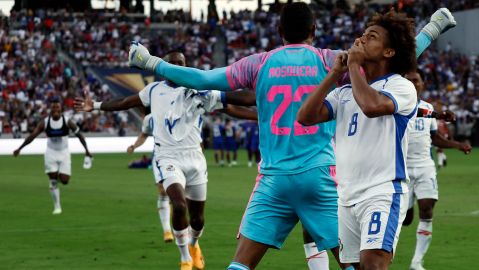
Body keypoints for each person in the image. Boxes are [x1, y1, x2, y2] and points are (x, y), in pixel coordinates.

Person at [127, 4, 456, 270]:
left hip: (273, 179)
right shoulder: (330, 60)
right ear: (314, 31)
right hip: (321, 177)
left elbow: (201, 77)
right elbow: (392, 57)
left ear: (280, 32)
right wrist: (432, 28)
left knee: (241, 264)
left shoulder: (259, 63)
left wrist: (150, 61)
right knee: (355, 263)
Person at [75, 51, 256, 270]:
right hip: (167, 156)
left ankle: (194, 244)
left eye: (181, 64)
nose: (178, 67)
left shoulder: (200, 90)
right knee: (178, 205)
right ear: (165, 68)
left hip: (195, 158)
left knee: (198, 219)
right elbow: (125, 101)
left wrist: (262, 109)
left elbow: (234, 103)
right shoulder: (153, 90)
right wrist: (94, 105)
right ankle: (185, 258)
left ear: (186, 66)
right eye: (173, 64)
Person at [298, 10, 421, 270]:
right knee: (353, 267)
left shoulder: (401, 86)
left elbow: (371, 106)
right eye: (362, 35)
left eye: (371, 37)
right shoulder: (343, 92)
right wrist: (334, 74)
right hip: (346, 196)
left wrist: (353, 66)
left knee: (373, 265)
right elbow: (305, 117)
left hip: (382, 191)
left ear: (388, 52)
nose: (361, 40)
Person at [403, 70, 472, 270]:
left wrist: (458, 145)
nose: (413, 84)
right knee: (405, 219)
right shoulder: (396, 106)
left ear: (423, 84)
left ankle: (416, 262)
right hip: (402, 168)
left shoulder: (428, 108)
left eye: (416, 80)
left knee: (427, 209)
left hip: (425, 166)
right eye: (409, 81)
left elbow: (435, 138)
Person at [13, 98, 92, 215]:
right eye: (53, 107)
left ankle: (55, 180)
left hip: (64, 153)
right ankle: (57, 206)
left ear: (61, 109)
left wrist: (87, 151)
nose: (55, 109)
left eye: (57, 107)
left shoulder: (67, 121)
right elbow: (32, 136)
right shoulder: (45, 122)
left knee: (65, 180)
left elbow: (80, 135)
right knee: (53, 180)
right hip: (50, 153)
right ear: (51, 109)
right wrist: (20, 148)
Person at [126, 112, 174, 243]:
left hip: (179, 156)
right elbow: (144, 135)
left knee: (178, 194)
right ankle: (167, 230)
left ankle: (181, 228)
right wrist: (134, 146)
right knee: (163, 191)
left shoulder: (177, 111)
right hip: (159, 156)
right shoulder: (150, 118)